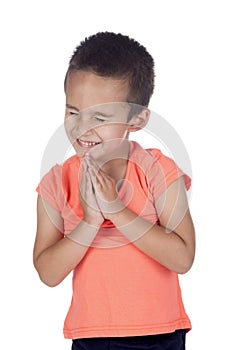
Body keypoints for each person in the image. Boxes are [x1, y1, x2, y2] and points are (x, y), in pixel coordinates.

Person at [33, 32, 195, 350]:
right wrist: (90, 221)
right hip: (90, 337)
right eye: (73, 112)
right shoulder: (55, 182)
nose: (82, 127)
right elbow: (48, 272)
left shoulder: (158, 170)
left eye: (100, 117)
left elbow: (183, 257)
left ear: (136, 119)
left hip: (158, 336)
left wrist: (117, 211)